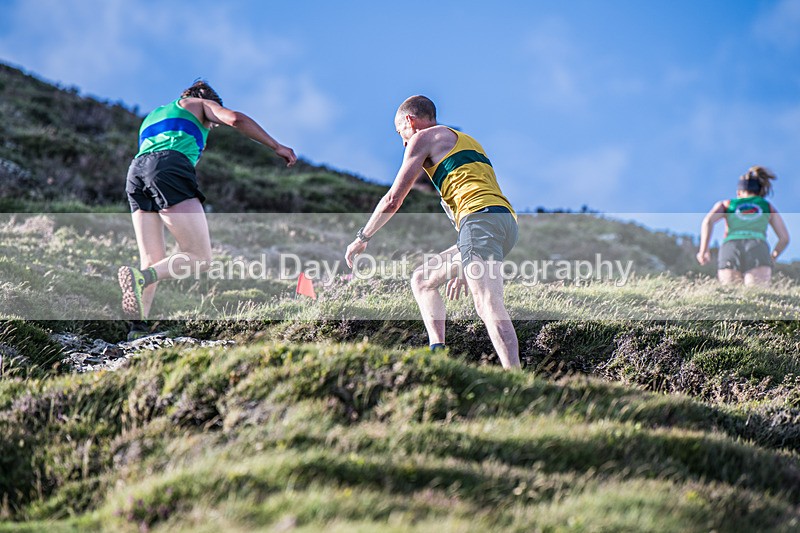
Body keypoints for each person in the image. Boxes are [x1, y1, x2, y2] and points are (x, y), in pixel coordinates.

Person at [344, 95, 520, 369]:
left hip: (480, 220)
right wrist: (464, 261)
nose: (404, 142)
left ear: (409, 120)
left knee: (487, 303)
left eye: (400, 132)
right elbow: (468, 192)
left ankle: (515, 376)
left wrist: (362, 237)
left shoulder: (422, 138)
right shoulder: (465, 140)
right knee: (423, 279)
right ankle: (438, 353)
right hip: (501, 221)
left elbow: (393, 199)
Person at [118, 80, 296, 337]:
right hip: (169, 167)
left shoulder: (153, 115)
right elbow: (235, 119)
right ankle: (141, 278)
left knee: (152, 261)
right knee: (200, 257)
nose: (211, 127)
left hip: (135, 173)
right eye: (212, 124)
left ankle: (137, 329)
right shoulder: (199, 104)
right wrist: (276, 146)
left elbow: (151, 158)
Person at [696, 166, 790, 286]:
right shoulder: (767, 206)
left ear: (739, 192)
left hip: (731, 246)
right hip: (757, 246)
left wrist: (704, 250)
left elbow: (708, 221)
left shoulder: (727, 204)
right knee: (757, 293)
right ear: (759, 192)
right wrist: (772, 257)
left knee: (731, 292)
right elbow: (784, 238)